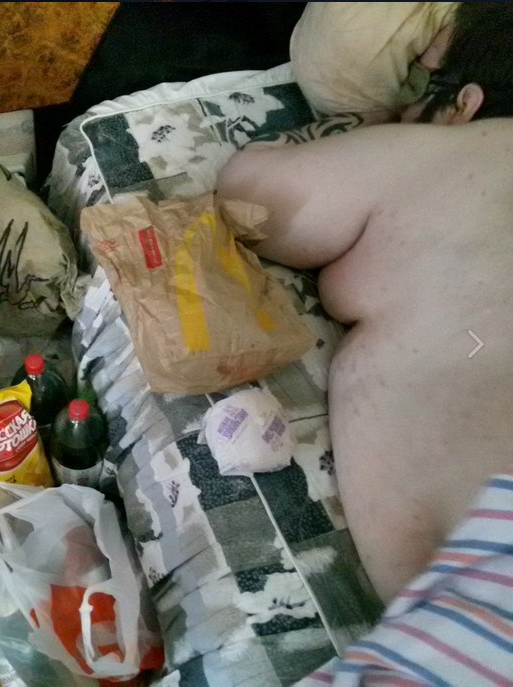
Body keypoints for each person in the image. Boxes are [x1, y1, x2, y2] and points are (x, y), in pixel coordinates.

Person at [217, 2, 513, 606]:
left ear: (464, 102)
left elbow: (247, 199)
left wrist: (373, 125)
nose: (406, 107)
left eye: (420, 85)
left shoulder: (458, 150)